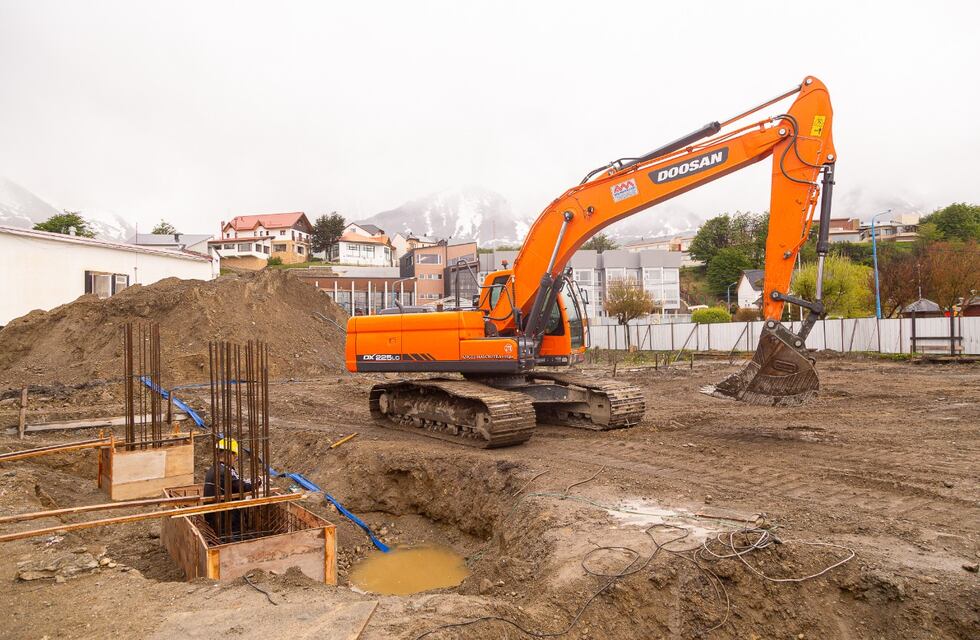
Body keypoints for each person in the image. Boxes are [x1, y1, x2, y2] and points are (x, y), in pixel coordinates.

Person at [203, 437, 261, 539]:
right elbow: (242, 487)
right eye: (235, 457)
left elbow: (235, 484)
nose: (235, 460)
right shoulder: (224, 471)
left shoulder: (214, 468)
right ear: (229, 454)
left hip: (215, 518)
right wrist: (259, 481)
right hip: (225, 521)